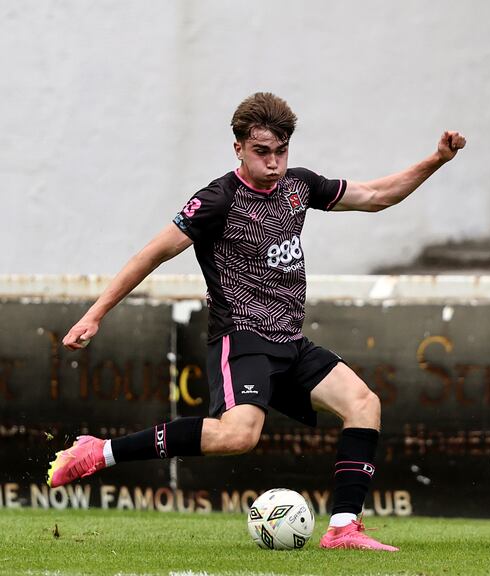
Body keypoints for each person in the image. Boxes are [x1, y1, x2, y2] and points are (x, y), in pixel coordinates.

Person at [48, 92, 467, 552]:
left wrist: (437, 160)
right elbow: (152, 254)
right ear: (239, 149)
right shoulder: (217, 200)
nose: (273, 163)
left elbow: (376, 196)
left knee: (364, 403)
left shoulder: (299, 187)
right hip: (240, 339)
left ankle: (344, 528)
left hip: (290, 341)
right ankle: (98, 452)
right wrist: (95, 313)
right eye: (261, 152)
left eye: (281, 151)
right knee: (238, 436)